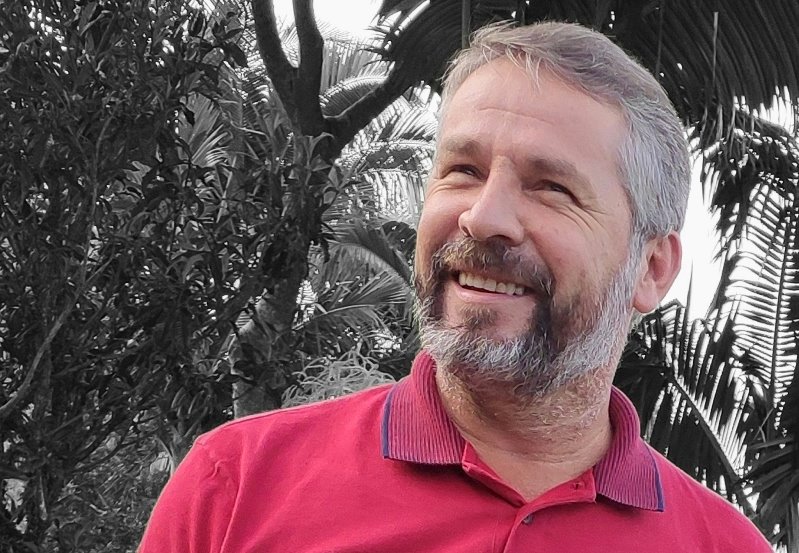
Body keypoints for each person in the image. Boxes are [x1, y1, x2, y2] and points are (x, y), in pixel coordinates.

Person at [139, 21, 772, 552]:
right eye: (463, 170)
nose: (483, 217)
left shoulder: (723, 545)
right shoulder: (235, 489)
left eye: (551, 187)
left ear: (652, 268)